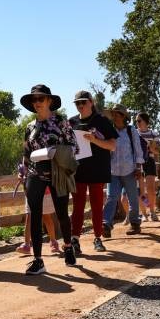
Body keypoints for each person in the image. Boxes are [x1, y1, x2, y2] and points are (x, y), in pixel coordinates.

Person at [19, 85, 78, 272]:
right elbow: (26, 153)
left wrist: (55, 152)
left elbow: (74, 147)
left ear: (49, 101)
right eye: (34, 100)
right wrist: (23, 171)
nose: (37, 103)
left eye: (40, 99)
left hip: (57, 172)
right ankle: (38, 259)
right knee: (34, 215)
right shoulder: (29, 127)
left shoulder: (61, 122)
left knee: (61, 213)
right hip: (35, 174)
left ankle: (68, 246)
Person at [68, 90, 118, 253]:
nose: (80, 106)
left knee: (97, 206)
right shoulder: (71, 122)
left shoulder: (102, 120)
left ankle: (98, 238)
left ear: (91, 102)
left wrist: (95, 140)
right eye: (77, 103)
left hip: (98, 169)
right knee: (78, 206)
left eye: (83, 102)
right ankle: (74, 239)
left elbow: (112, 145)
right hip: (78, 170)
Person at [101, 104, 144, 238]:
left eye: (118, 114)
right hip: (113, 171)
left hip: (129, 170)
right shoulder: (108, 132)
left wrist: (138, 168)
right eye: (113, 114)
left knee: (132, 198)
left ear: (124, 116)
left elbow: (138, 150)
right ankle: (106, 225)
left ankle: (135, 223)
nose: (115, 116)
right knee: (111, 197)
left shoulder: (132, 132)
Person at [15, 161, 62, 256]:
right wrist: (20, 175)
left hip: (44, 191)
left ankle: (53, 241)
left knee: (46, 217)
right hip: (30, 190)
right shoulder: (27, 154)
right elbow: (23, 168)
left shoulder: (43, 154)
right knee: (29, 216)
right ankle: (27, 245)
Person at [134, 112, 160, 222]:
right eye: (136, 121)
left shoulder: (153, 134)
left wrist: (150, 147)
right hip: (137, 162)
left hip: (149, 161)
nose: (137, 123)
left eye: (139, 120)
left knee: (150, 188)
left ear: (146, 122)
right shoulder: (134, 133)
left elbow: (157, 152)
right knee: (141, 191)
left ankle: (152, 211)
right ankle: (144, 213)